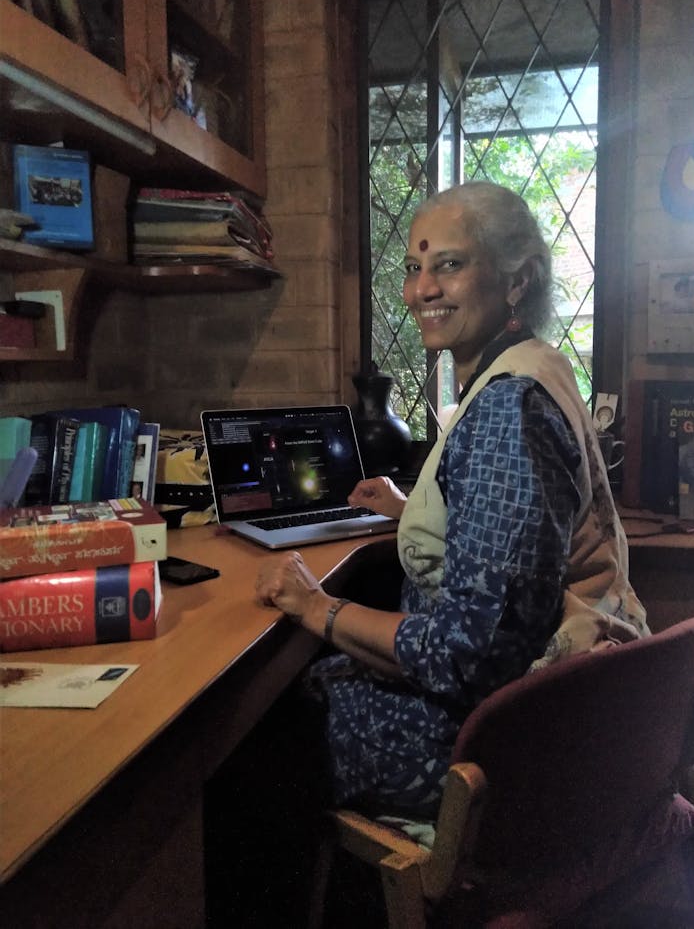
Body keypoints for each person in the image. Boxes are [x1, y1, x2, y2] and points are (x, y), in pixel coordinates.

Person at [249, 182, 648, 923]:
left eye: (451, 265)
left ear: (516, 278)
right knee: (311, 676)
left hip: (498, 743)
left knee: (262, 730)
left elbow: (468, 654)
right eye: (412, 268)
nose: (421, 289)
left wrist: (317, 604)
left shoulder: (506, 408)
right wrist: (417, 513)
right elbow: (516, 533)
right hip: (562, 712)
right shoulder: (535, 366)